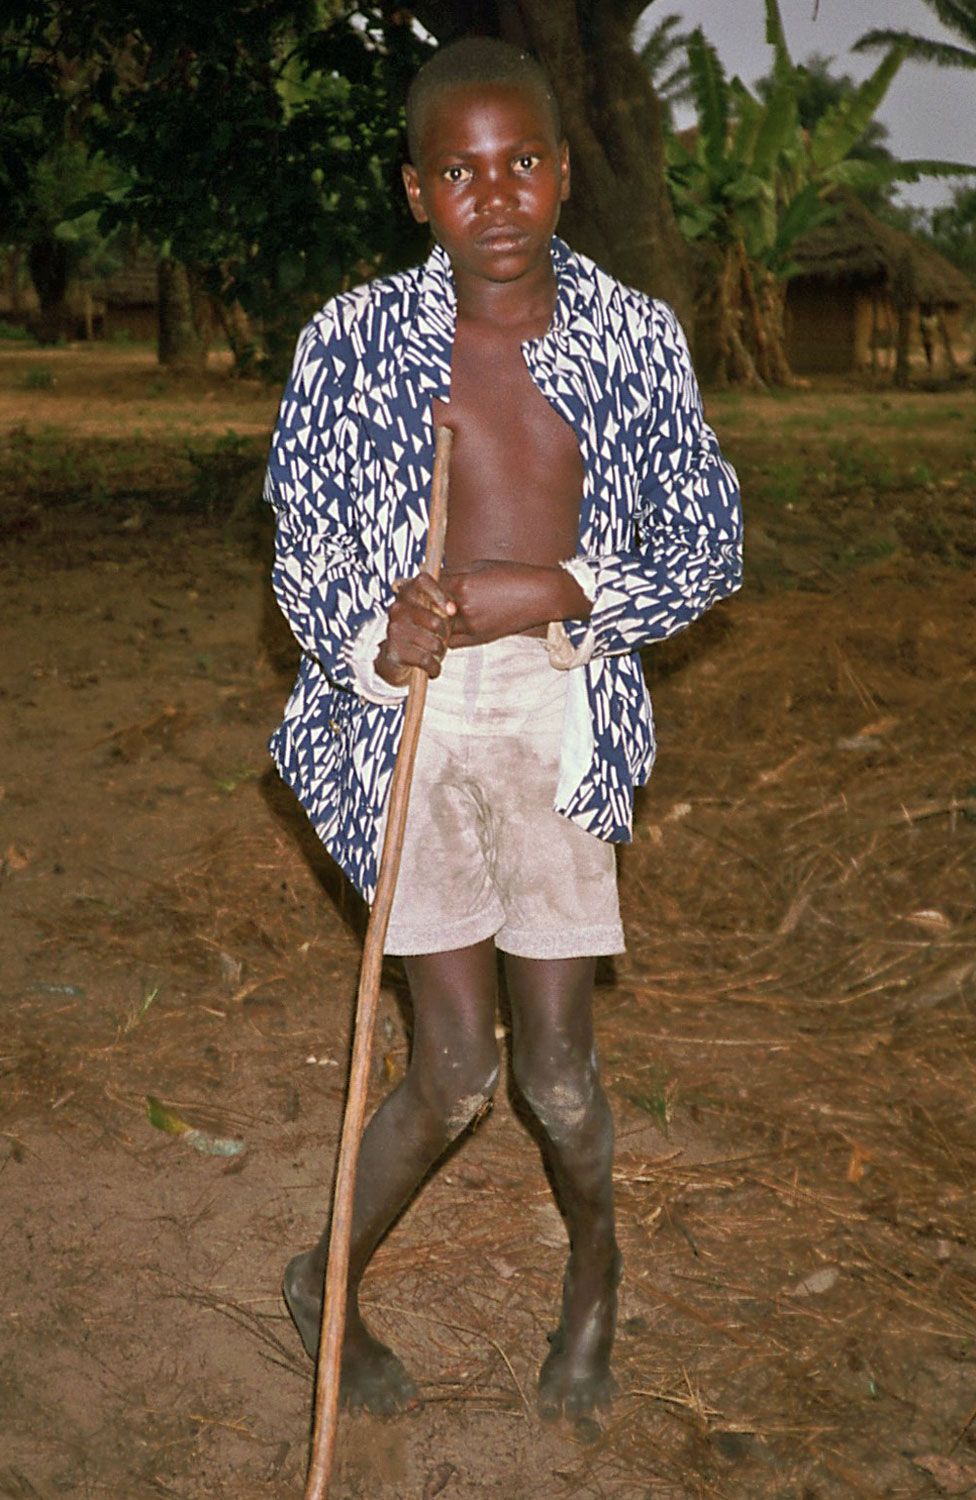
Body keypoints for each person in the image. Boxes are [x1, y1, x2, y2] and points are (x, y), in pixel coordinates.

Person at [264, 36, 742, 1421]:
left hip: (558, 705)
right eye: (461, 172)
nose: (496, 195)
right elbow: (304, 553)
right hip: (408, 719)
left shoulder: (634, 336)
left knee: (565, 1079)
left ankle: (594, 1281)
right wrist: (378, 628)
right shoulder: (353, 343)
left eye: (521, 162)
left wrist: (560, 586)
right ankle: (324, 1281)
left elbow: (708, 544)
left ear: (563, 170)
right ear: (418, 191)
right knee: (457, 1072)